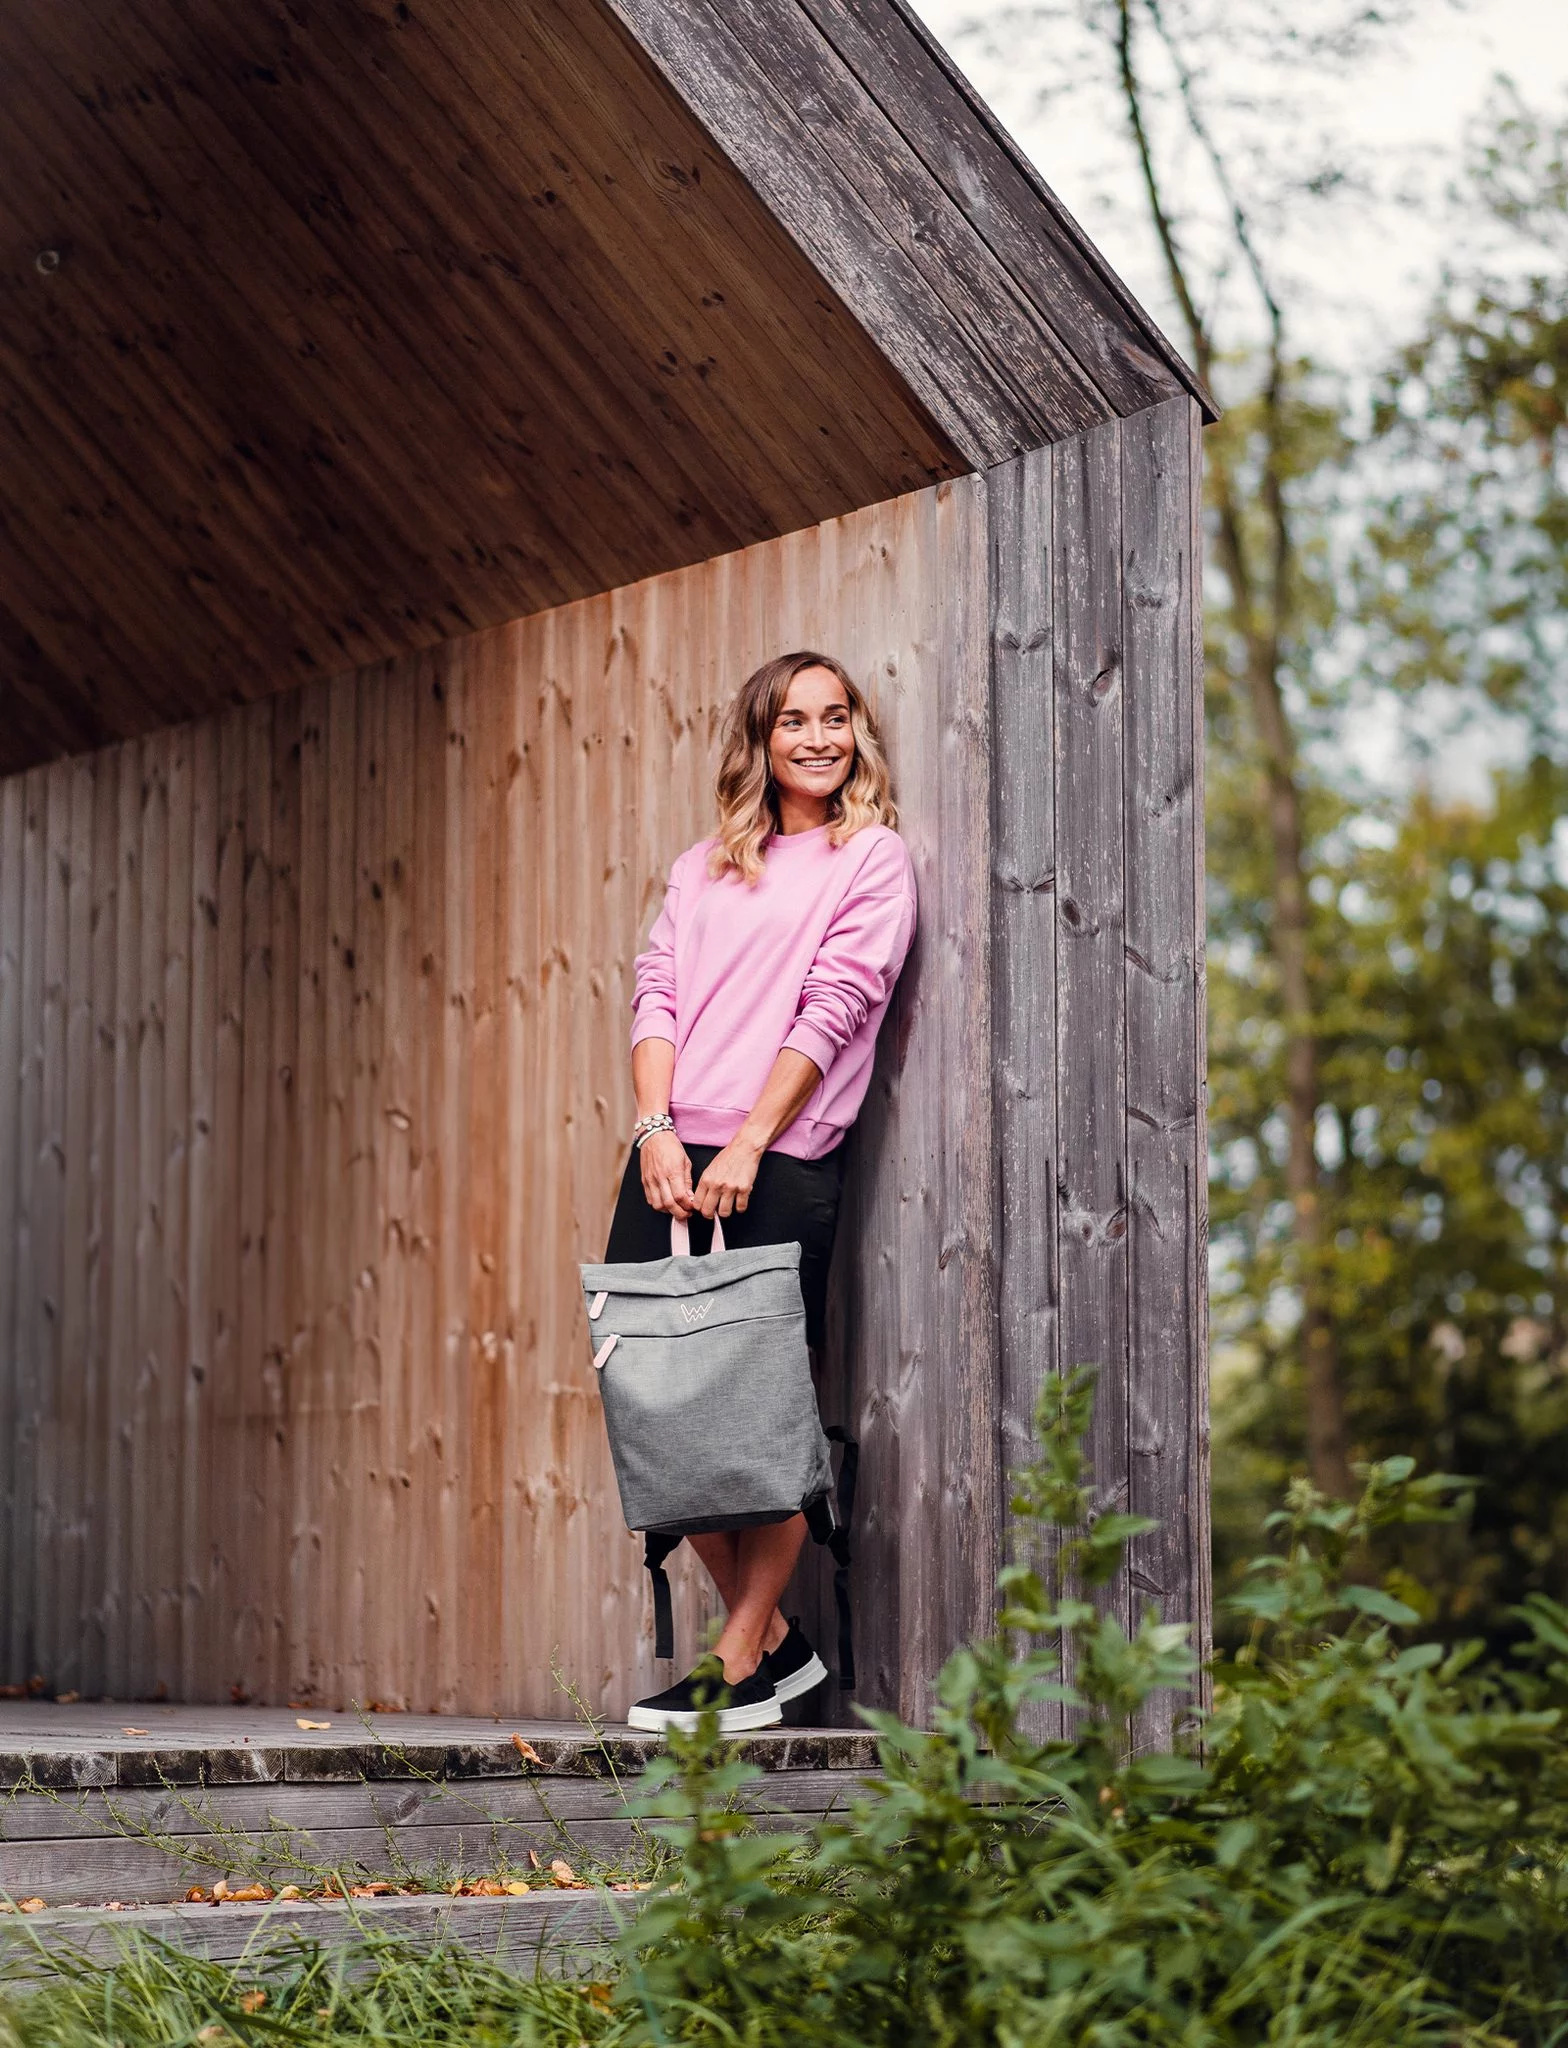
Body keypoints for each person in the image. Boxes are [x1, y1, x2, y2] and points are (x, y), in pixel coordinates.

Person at [605, 650, 917, 1733]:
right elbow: (656, 993)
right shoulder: (702, 867)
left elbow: (836, 1005)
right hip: (668, 1156)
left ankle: (736, 1660)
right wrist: (655, 1128)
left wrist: (748, 1140)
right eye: (794, 720)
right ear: (761, 738)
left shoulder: (868, 858)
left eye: (836, 717)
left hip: (778, 1157)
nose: (819, 738)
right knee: (655, 1400)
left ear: (856, 732)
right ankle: (780, 1645)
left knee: (760, 1407)